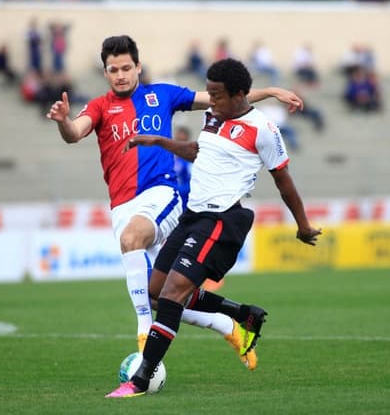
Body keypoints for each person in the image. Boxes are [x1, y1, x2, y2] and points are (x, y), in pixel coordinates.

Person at [46, 35, 304, 368]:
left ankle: (143, 332)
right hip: (122, 206)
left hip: (161, 194)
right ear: (106, 73)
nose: (121, 74)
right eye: (113, 70)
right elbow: (74, 133)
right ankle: (230, 322)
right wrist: (64, 121)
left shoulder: (162, 94)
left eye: (126, 67)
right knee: (161, 295)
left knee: (132, 242)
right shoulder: (98, 107)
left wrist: (270, 92)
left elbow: (219, 98)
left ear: (138, 66)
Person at [107, 58, 321, 398]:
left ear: (239, 94)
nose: (211, 100)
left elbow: (284, 181)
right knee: (156, 293)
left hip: (223, 220)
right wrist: (157, 141)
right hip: (193, 216)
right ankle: (241, 315)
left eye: (217, 94)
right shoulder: (213, 117)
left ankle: (141, 379)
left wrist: (303, 226)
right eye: (209, 93)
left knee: (174, 292)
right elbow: (196, 151)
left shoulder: (262, 129)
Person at [172, 125, 192, 211]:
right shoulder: (168, 157)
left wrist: (178, 189)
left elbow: (192, 184)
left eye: (182, 141)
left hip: (184, 202)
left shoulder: (190, 160)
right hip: (168, 198)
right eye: (178, 140)